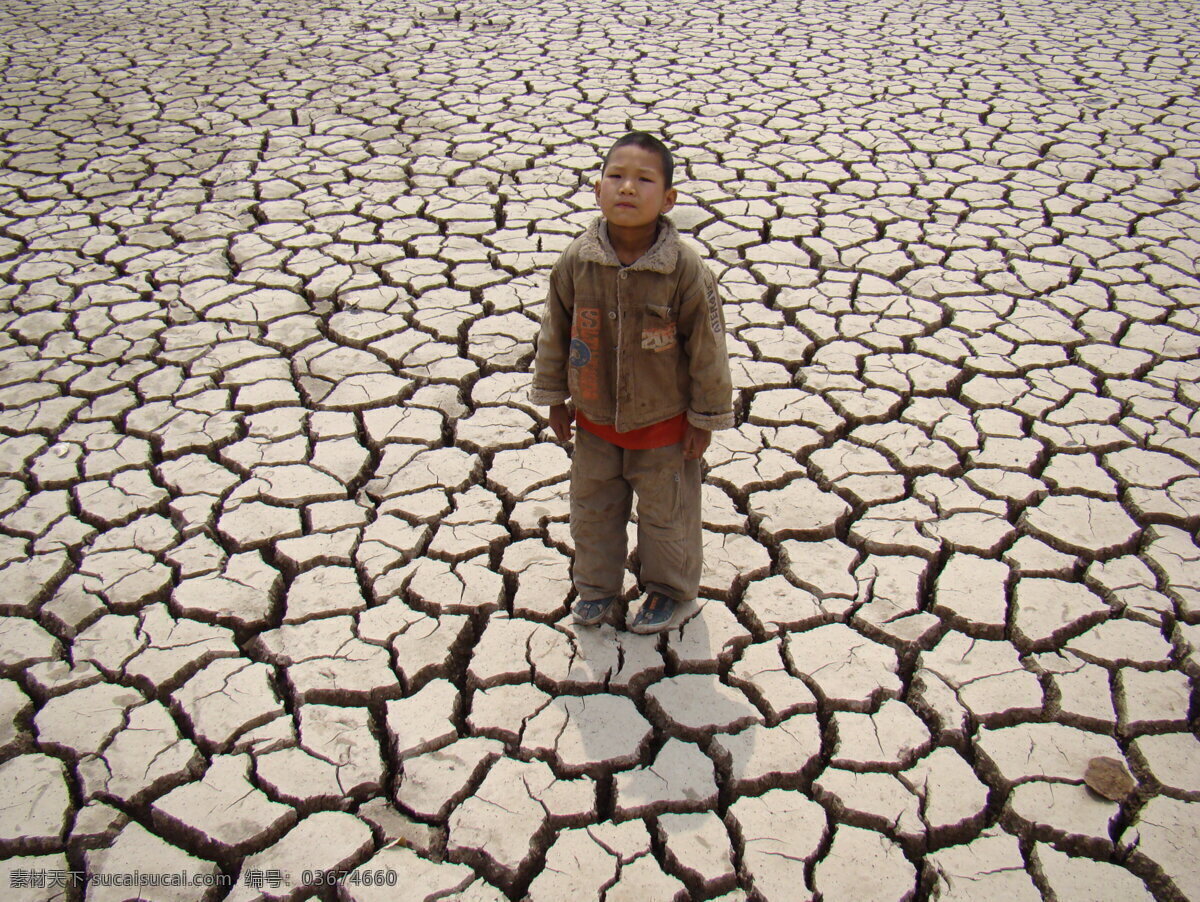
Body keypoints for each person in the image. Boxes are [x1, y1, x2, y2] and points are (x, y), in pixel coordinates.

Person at [530, 131, 735, 634]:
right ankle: (596, 589)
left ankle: (670, 591)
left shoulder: (685, 270)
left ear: (668, 199)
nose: (627, 188)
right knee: (593, 512)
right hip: (595, 423)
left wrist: (705, 418)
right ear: (597, 189)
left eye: (644, 179)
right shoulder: (577, 262)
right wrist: (555, 397)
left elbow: (708, 348)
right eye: (616, 176)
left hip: (663, 428)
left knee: (668, 519)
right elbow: (554, 331)